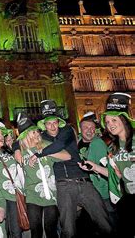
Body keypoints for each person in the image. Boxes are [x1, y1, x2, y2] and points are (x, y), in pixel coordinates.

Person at [27, 99, 112, 238]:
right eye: (49, 123)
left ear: (58, 122)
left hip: (84, 181)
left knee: (104, 223)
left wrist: (40, 152)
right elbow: (22, 139)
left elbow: (59, 145)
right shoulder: (41, 137)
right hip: (62, 185)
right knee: (68, 230)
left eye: (55, 122)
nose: (52, 126)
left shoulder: (67, 131)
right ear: (44, 125)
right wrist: (17, 149)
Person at [80, 93, 134, 238]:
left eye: (114, 120)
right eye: (108, 121)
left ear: (124, 120)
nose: (110, 125)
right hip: (126, 198)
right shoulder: (112, 148)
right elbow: (113, 174)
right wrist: (94, 167)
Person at [16, 113, 70, 238]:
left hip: (50, 193)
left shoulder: (45, 144)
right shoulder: (20, 150)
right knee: (36, 231)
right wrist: (16, 150)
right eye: (33, 133)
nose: (37, 135)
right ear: (25, 135)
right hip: (31, 194)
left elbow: (67, 156)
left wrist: (46, 153)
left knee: (50, 229)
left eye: (37, 132)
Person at [0, 117, 23, 238]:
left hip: (15, 195)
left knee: (16, 231)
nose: (1, 136)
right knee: (3, 232)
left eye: (2, 134)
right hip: (1, 197)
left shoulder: (10, 150)